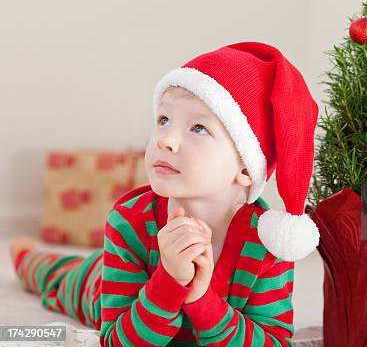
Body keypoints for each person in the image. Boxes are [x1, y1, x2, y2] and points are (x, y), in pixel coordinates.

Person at [9, 41, 320, 346]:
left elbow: (274, 342)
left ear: (246, 169)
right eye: (163, 120)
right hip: (98, 284)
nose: (166, 140)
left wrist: (201, 299)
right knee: (60, 277)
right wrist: (169, 281)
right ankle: (25, 256)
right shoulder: (129, 221)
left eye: (199, 128)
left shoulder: (267, 244)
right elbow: (118, 341)